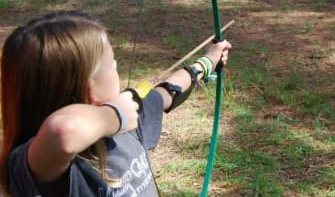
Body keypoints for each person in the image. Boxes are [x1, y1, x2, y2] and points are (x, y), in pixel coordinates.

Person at [0, 11, 231, 196]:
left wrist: (206, 63)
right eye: (112, 64)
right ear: (90, 90)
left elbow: (166, 92)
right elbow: (63, 130)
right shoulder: (36, 165)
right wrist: (115, 116)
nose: (116, 67)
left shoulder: (125, 121)